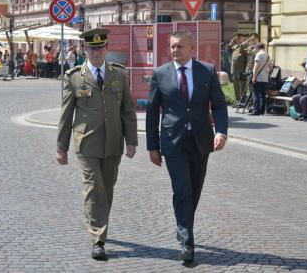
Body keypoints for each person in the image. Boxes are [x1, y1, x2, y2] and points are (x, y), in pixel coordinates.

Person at [146, 30, 228, 263]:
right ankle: (186, 241)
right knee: (182, 189)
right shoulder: (160, 74)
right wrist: (152, 146)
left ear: (192, 48)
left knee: (195, 190)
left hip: (201, 141)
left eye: (180, 46)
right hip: (173, 143)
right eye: (172, 46)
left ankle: (183, 224)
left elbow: (219, 105)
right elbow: (152, 113)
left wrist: (221, 131)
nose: (175, 50)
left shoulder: (207, 72)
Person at [56, 28, 138, 260]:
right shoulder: (74, 77)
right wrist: (61, 148)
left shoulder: (118, 75)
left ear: (106, 49)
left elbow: (128, 111)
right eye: (92, 49)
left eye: (100, 48)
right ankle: (98, 239)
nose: (96, 53)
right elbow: (66, 115)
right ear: (85, 50)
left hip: (113, 142)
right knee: (93, 188)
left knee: (107, 187)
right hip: (86, 143)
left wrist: (131, 140)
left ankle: (100, 223)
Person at [250, 42, 273, 115]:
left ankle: (256, 110)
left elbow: (256, 66)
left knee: (256, 94)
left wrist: (254, 76)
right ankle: (262, 110)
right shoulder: (267, 55)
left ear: (257, 47)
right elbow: (271, 68)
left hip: (258, 77)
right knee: (262, 95)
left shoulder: (259, 54)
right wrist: (267, 74)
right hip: (264, 78)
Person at [228, 33, 248, 102]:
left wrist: (246, 69)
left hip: (241, 69)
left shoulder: (245, 47)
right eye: (237, 38)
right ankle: (237, 101)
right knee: (235, 86)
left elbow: (247, 59)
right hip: (234, 70)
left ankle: (243, 101)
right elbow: (228, 49)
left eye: (239, 38)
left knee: (242, 86)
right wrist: (232, 41)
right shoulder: (235, 46)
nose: (238, 40)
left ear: (243, 38)